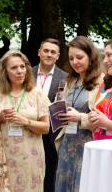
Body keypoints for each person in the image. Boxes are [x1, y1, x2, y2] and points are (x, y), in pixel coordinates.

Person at [0, 50, 50, 191]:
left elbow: (46, 128)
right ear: (5, 72)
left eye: (22, 66)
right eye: (14, 68)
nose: (20, 71)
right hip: (4, 159)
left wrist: (26, 121)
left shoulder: (37, 94)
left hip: (31, 160)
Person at [55, 36, 103, 192]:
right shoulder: (71, 81)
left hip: (88, 143)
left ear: (91, 56)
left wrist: (79, 117)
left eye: (79, 57)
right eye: (71, 58)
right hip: (67, 143)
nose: (75, 61)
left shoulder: (102, 81)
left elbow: (103, 118)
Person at [32, 38, 67, 192]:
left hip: (52, 134)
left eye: (53, 52)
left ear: (58, 56)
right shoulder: (26, 73)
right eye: (46, 51)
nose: (49, 54)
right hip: (29, 131)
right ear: (39, 52)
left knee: (50, 175)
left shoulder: (66, 78)